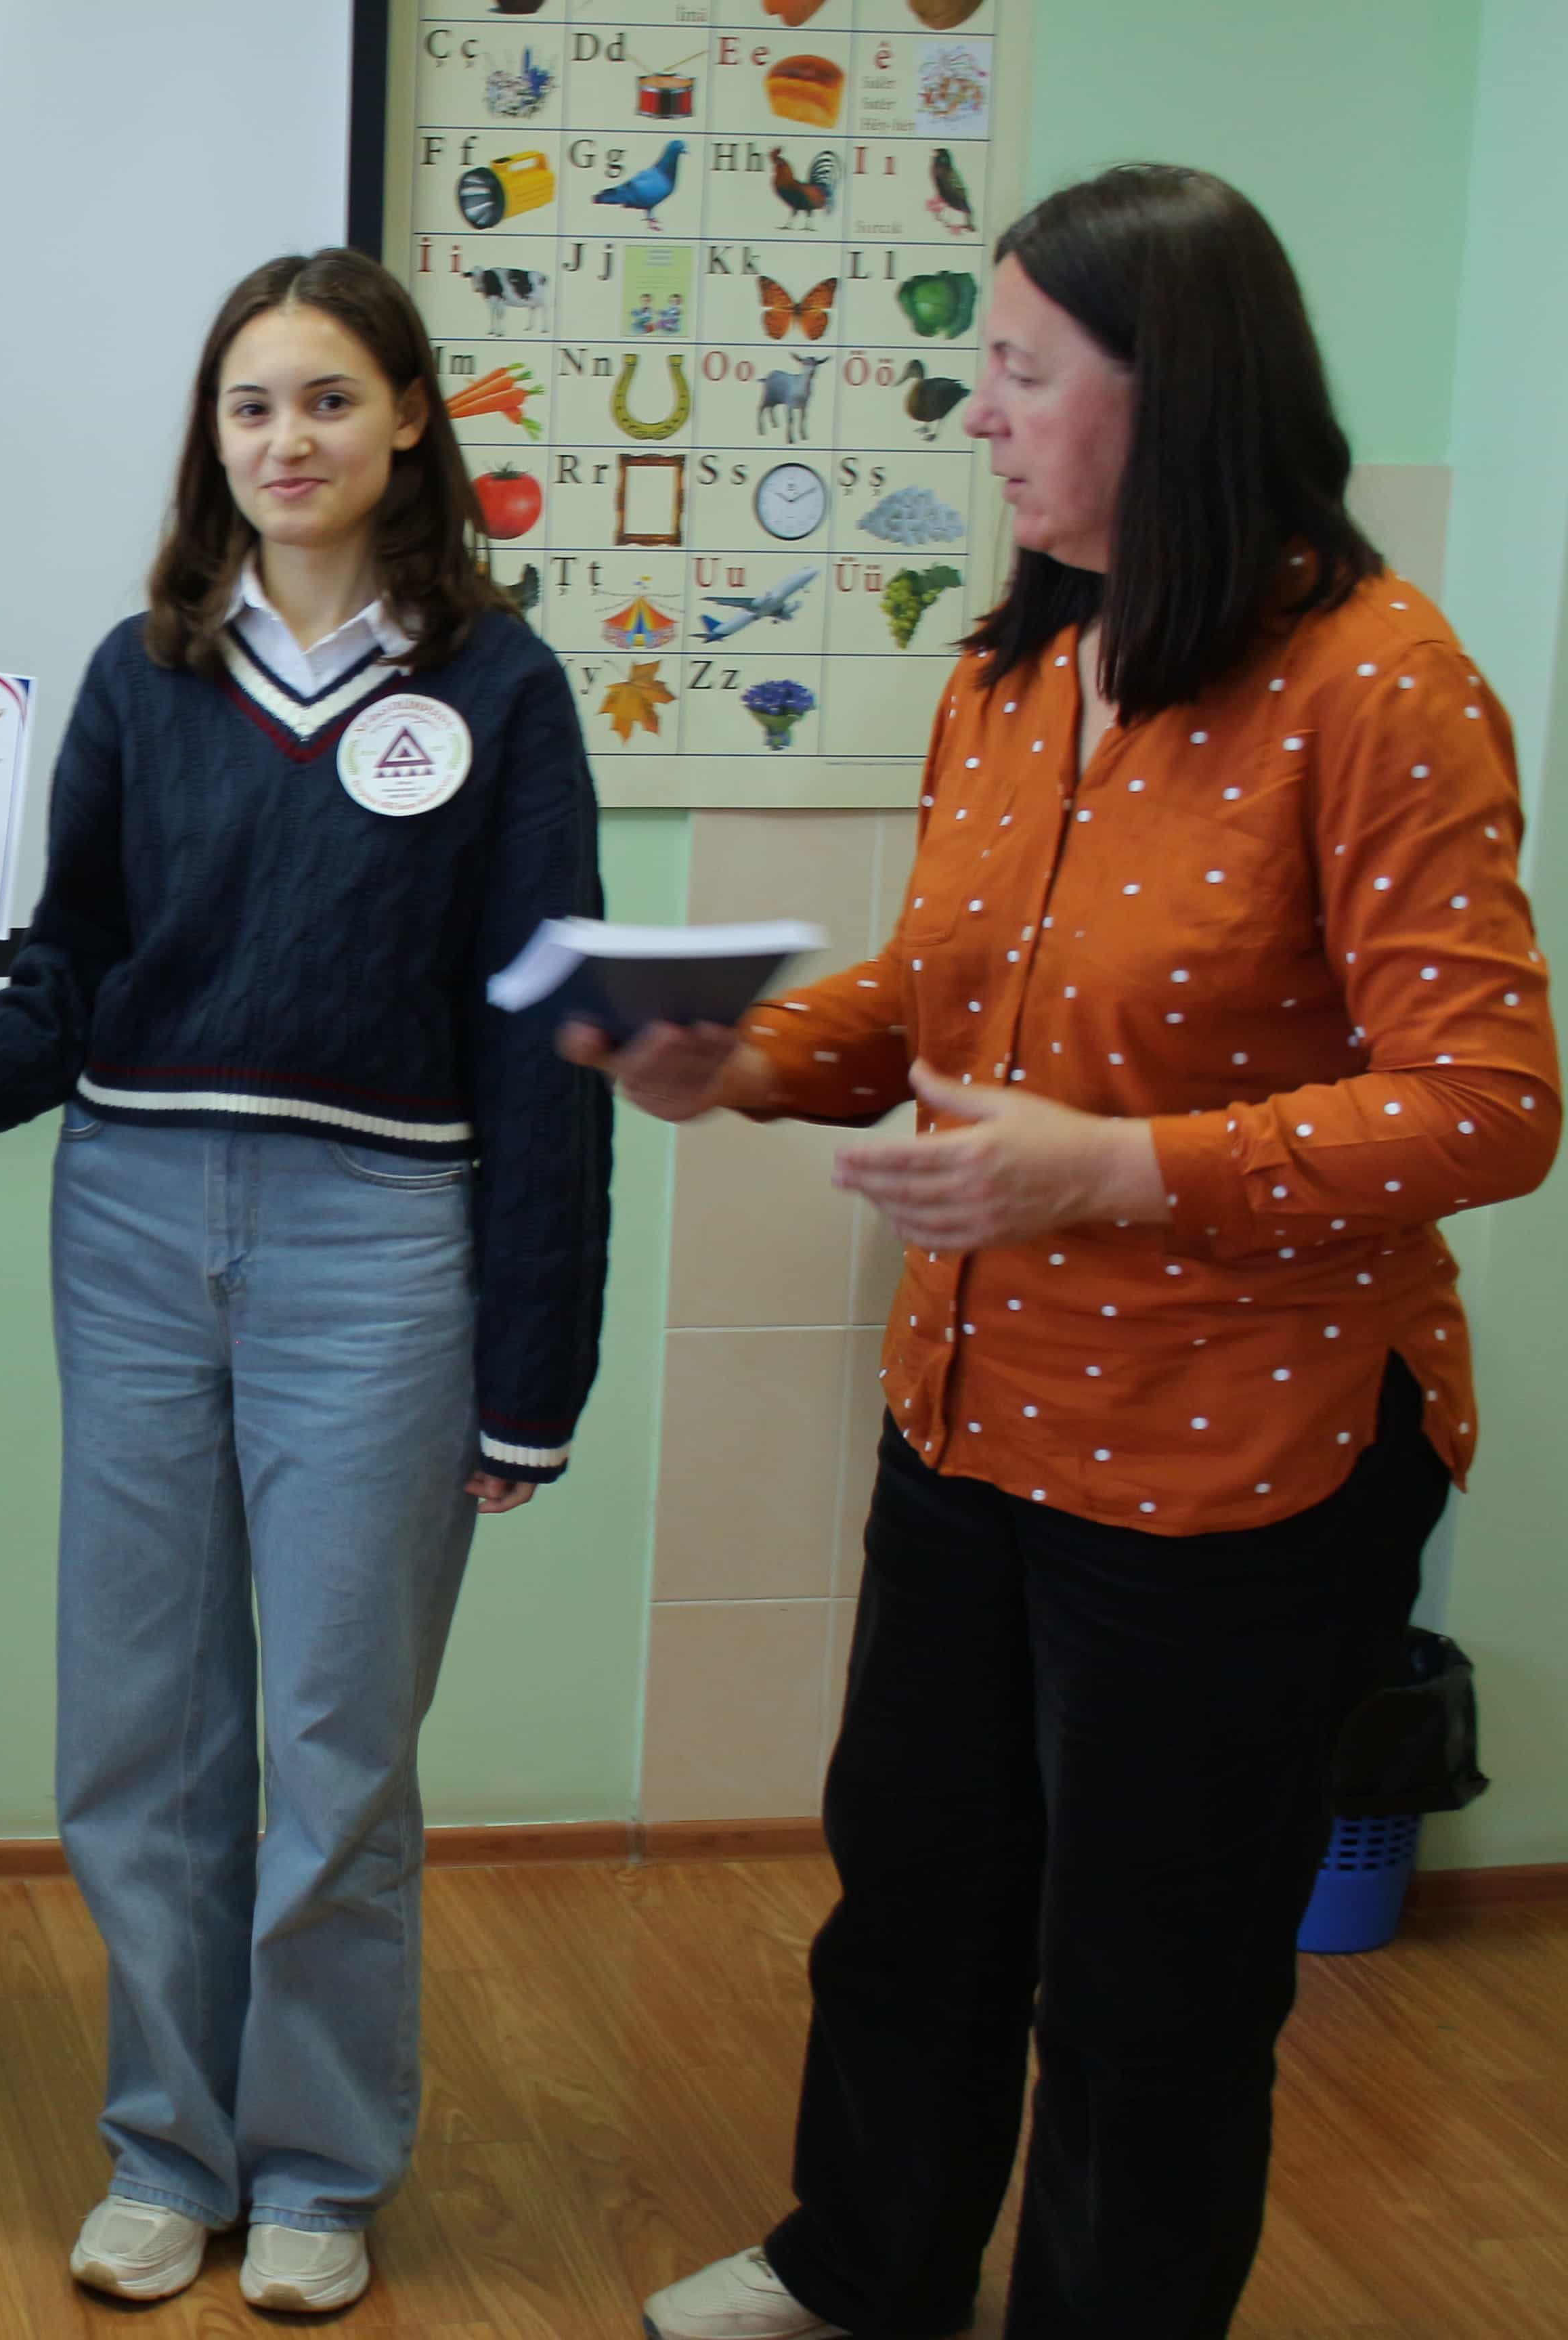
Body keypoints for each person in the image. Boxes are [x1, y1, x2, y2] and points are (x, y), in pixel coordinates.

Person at [599, 169, 1556, 2340]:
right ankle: (865, 2270)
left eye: (1024, 371)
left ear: (1176, 390)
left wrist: (1123, 1173)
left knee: (1152, 1985)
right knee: (915, 1895)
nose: (981, 416)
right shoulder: (1018, 668)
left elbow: (1491, 1102)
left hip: (1241, 1458)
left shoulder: (1380, 683)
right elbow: (944, 993)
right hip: (971, 1409)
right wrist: (739, 1057)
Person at [0, 248, 611, 2314]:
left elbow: (548, 1036)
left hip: (385, 1242)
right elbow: (70, 982)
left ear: (410, 418)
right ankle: (169, 2146)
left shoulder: (499, 690)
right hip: (140, 1222)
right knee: (141, 1730)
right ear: (212, 438)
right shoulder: (147, 670)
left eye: (329, 399)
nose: (287, 440)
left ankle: (318, 2169)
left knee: (339, 1743)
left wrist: (537, 1372)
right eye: (252, 405)